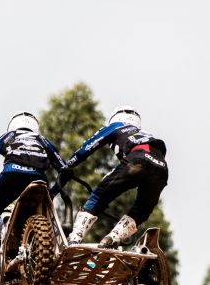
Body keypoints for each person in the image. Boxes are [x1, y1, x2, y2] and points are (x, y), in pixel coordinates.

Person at [0, 111, 66, 273]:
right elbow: (65, 170)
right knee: (47, 215)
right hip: (39, 180)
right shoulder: (43, 140)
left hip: (11, 174)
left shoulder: (7, 137)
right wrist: (52, 193)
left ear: (13, 125)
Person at [65, 106, 168, 248]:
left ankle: (74, 239)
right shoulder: (147, 135)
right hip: (162, 169)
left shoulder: (116, 126)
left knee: (99, 195)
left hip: (137, 161)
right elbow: (155, 159)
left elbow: (88, 146)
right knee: (142, 209)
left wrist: (68, 165)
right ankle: (111, 239)